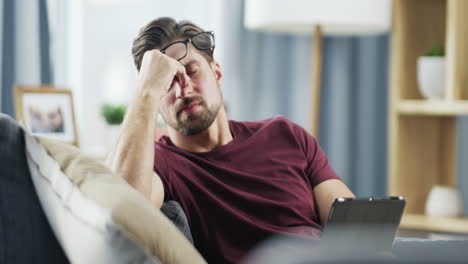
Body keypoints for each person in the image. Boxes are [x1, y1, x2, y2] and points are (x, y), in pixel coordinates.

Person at [106, 17, 355, 263]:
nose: (184, 90)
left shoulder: (285, 134)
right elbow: (123, 211)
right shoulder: (159, 165)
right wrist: (146, 89)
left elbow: (358, 228)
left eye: (191, 71)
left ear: (217, 72)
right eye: (166, 83)